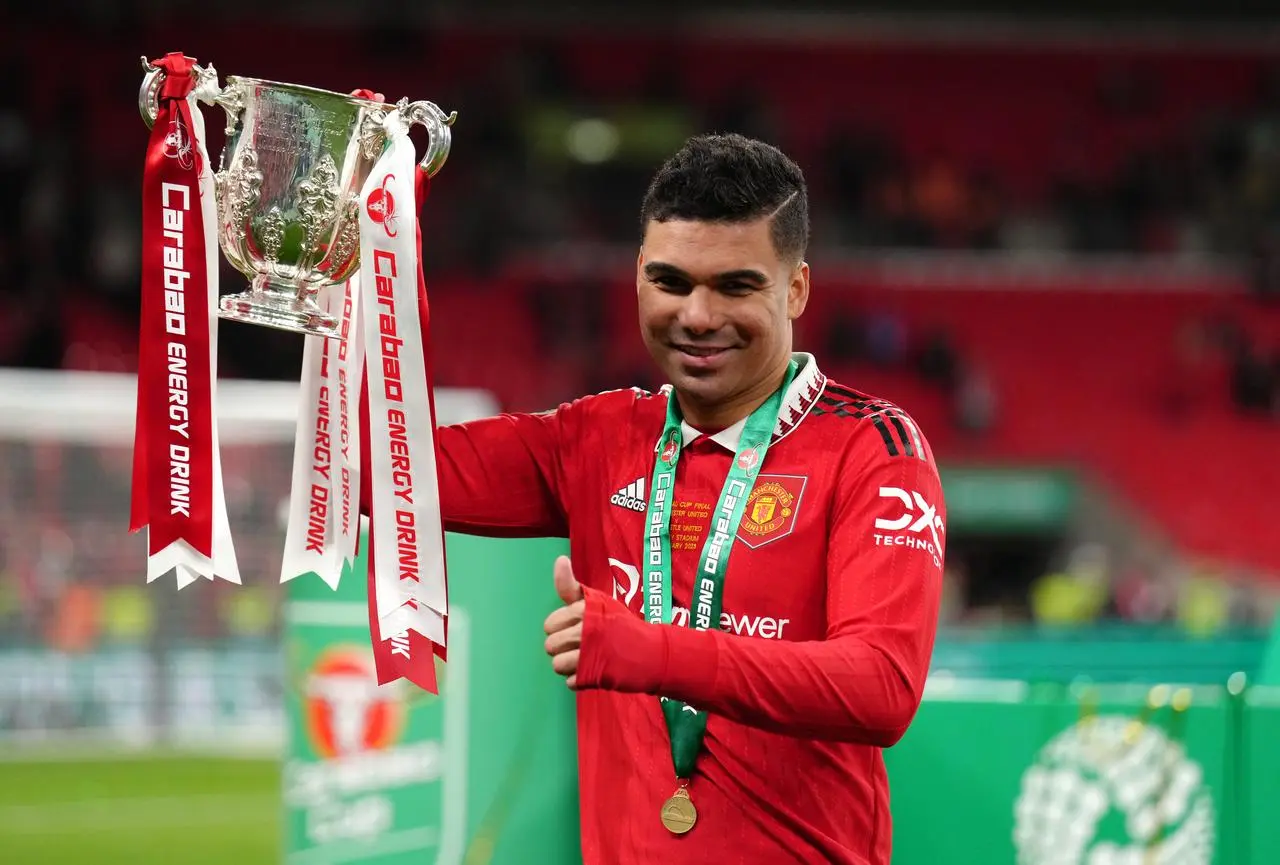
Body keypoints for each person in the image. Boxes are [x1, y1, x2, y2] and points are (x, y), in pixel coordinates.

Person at [375, 133, 946, 864]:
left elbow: (881, 686)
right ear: (638, 275)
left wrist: (653, 650)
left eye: (736, 286)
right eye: (672, 282)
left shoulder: (875, 449)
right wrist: (349, 278)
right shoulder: (597, 437)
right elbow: (379, 468)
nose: (699, 316)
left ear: (795, 287)